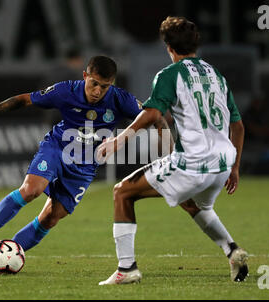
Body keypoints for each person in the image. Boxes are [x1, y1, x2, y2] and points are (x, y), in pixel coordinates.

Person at [0, 56, 169, 272]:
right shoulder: (65, 91)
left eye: (105, 86)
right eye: (94, 84)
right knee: (32, 190)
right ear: (85, 77)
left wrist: (169, 156)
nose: (98, 91)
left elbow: (156, 118)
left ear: (112, 84)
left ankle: (6, 255)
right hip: (58, 148)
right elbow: (25, 99)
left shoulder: (121, 100)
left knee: (51, 218)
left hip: (85, 166)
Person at [97, 16, 248, 285]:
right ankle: (232, 251)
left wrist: (118, 140)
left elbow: (153, 112)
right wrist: (234, 167)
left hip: (193, 162)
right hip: (223, 163)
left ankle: (126, 269)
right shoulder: (217, 76)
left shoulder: (169, 74)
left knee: (122, 192)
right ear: (195, 44)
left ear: (168, 46)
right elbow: (237, 125)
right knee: (193, 203)